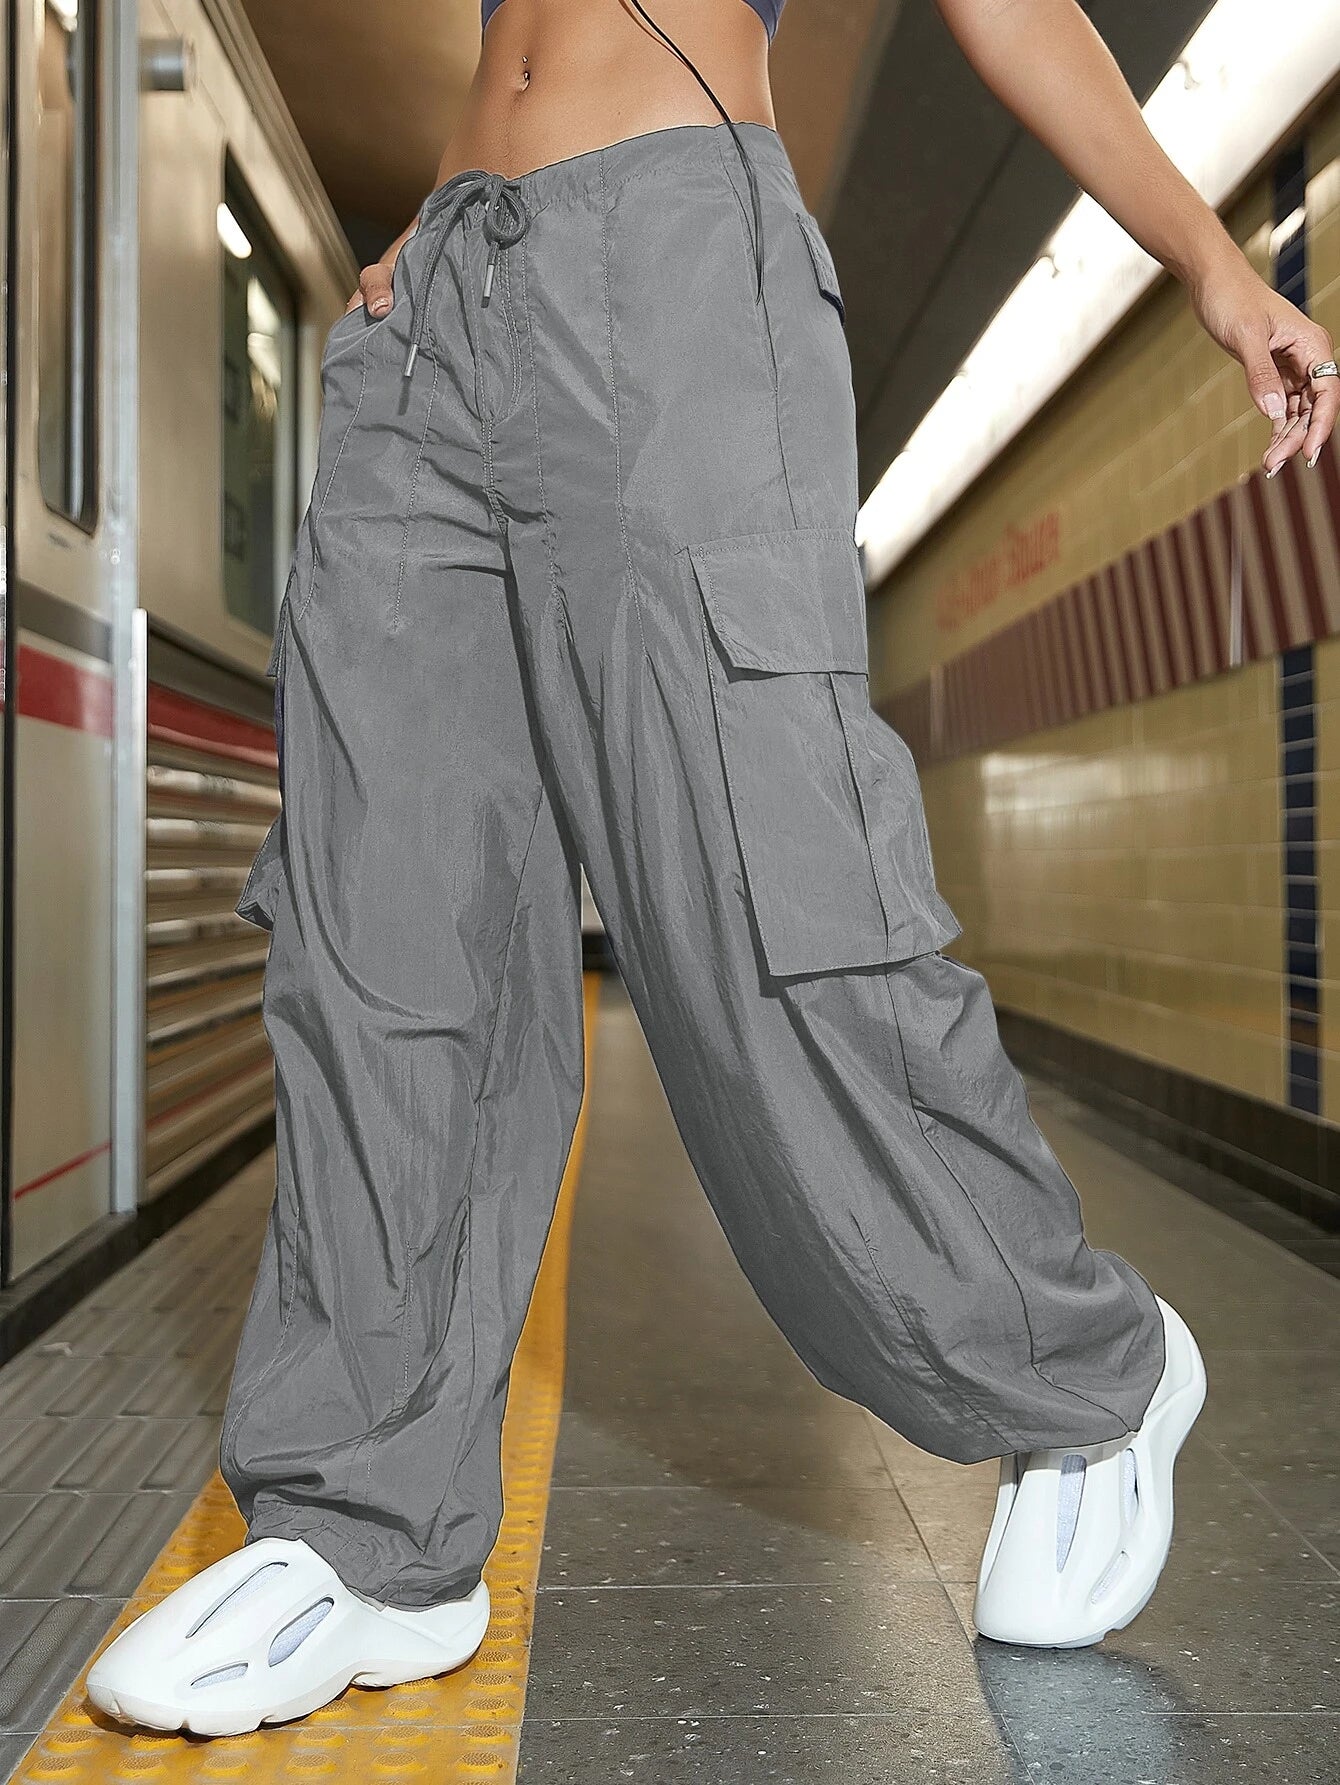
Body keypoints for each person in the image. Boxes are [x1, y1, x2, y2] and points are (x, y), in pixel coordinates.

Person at [88, 0, 1335, 1738]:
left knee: (767, 905)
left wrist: (1208, 258)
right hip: (433, 318)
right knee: (383, 926)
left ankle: (1085, 1371)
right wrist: (444, 219)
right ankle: (367, 1532)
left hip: (669, 263)